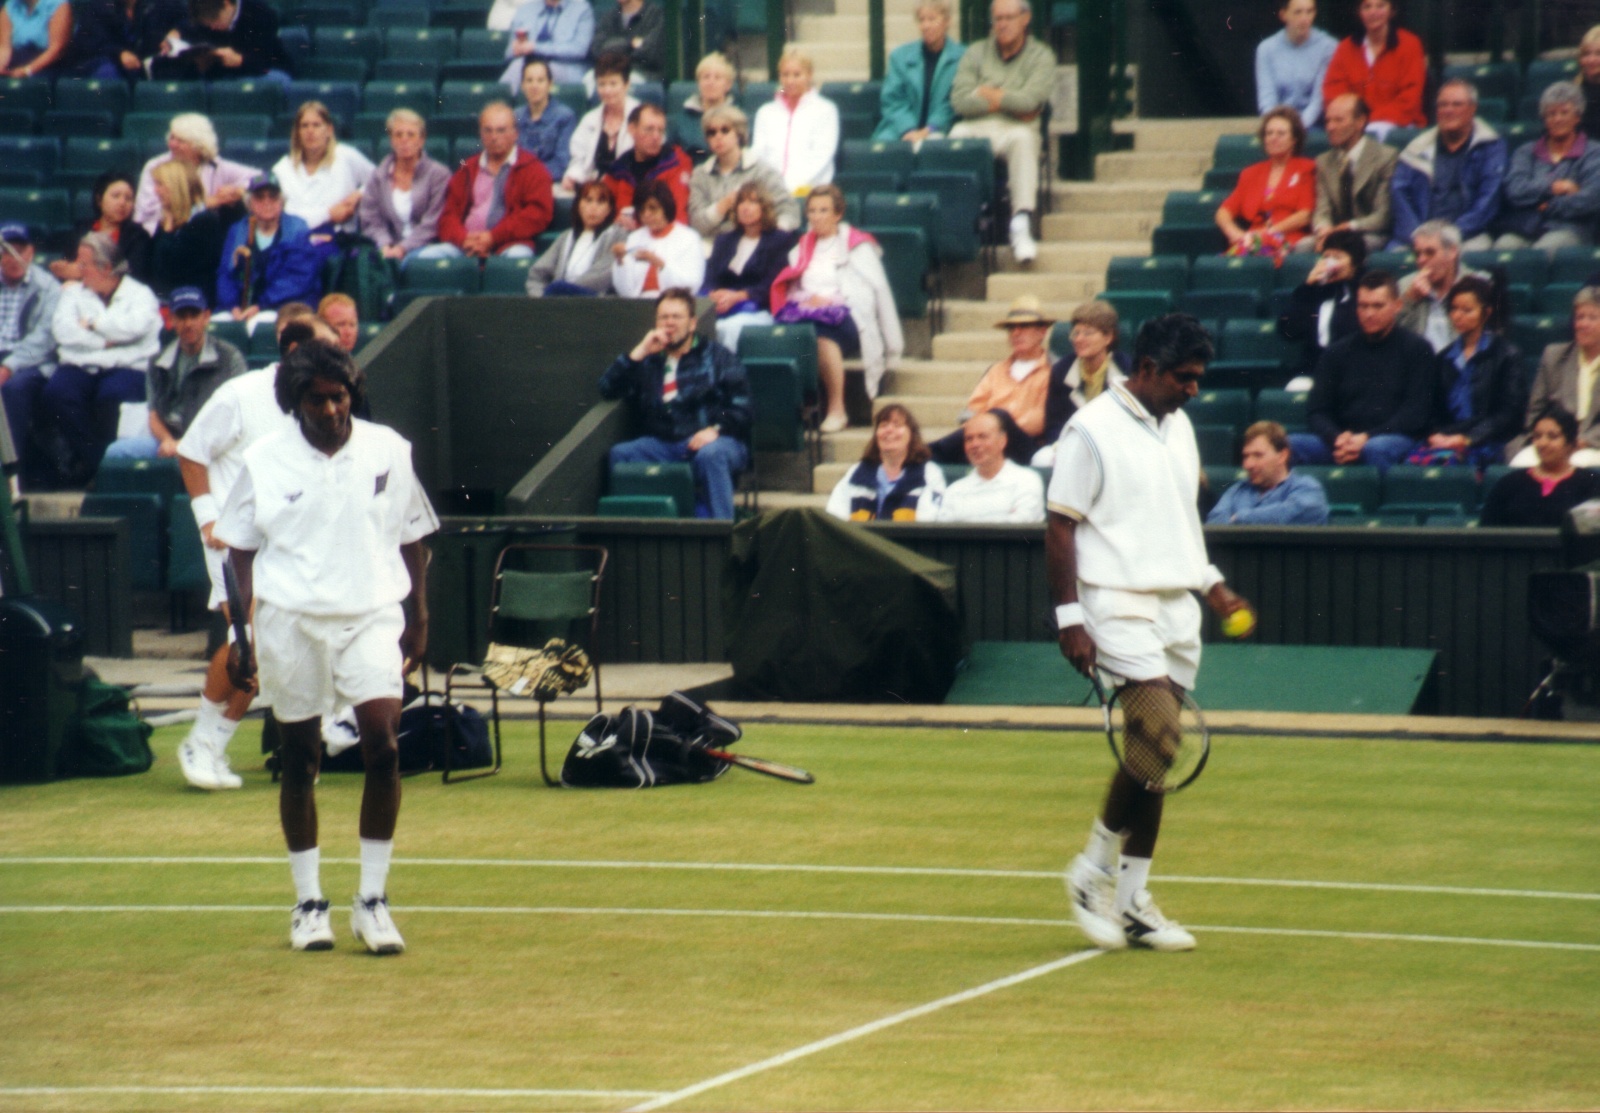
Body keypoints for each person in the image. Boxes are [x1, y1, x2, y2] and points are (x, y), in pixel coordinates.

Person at [215, 338, 439, 954]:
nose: (333, 410)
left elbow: (414, 535)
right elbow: (238, 550)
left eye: (340, 397)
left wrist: (418, 616)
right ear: (296, 404)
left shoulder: (389, 449)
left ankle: (372, 901)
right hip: (291, 622)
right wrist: (242, 633)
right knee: (300, 760)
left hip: (370, 617)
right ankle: (309, 903)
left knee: (384, 747)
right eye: (318, 401)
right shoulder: (263, 459)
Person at [1049, 312, 1253, 953]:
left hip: (1176, 606)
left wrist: (1213, 584)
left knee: (1155, 755)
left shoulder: (1181, 425)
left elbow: (1178, 521)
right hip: (1114, 602)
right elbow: (1059, 525)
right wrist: (1070, 618)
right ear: (1147, 370)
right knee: (1161, 730)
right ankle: (1090, 871)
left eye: (1198, 378)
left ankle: (1134, 901)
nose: (1194, 389)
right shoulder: (1090, 429)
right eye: (1184, 378)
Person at [172, 307, 328, 790]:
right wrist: (207, 519)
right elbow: (190, 452)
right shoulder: (240, 394)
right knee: (250, 639)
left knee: (271, 646)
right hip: (231, 540)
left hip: (284, 543)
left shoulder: (311, 402)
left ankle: (214, 744)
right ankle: (201, 741)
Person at [598, 287, 751, 520]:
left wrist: (715, 429)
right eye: (663, 317)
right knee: (622, 455)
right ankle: (639, 531)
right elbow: (607, 388)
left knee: (711, 456)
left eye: (676, 317)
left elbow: (744, 406)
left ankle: (723, 536)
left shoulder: (718, 357)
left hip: (717, 441)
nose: (669, 323)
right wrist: (639, 352)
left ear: (692, 323)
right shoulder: (649, 361)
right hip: (664, 444)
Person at [768, 184, 903, 430]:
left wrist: (894, 347)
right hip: (806, 314)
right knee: (786, 335)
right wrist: (807, 298)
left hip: (847, 318)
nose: (817, 217)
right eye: (812, 211)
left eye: (823, 210)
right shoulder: (800, 248)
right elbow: (793, 289)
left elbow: (880, 293)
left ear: (838, 214)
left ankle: (837, 409)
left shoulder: (857, 247)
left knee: (821, 339)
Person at [42, 233, 162, 487]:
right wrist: (106, 340)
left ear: (105, 267)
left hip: (128, 365)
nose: (78, 269)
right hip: (81, 363)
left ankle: (102, 471)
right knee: (57, 392)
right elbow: (63, 331)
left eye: (83, 264)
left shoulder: (140, 294)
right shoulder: (73, 294)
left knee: (112, 395)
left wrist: (93, 324)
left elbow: (135, 327)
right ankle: (99, 464)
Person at [1288, 270, 1434, 472]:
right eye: (1363, 306)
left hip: (1393, 438)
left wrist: (1366, 438)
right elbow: (1317, 411)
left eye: (1378, 306)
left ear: (1397, 306)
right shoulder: (1336, 352)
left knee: (1376, 449)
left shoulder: (1417, 349)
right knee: (1289, 446)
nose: (1369, 313)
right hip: (1342, 441)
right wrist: (1337, 438)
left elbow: (1415, 414)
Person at [949, 0, 1054, 263]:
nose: (1002, 25)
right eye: (997, 19)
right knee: (956, 137)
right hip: (976, 126)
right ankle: (962, 223)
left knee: (1022, 140)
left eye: (1008, 18)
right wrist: (1011, 100)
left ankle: (1020, 224)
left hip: (1017, 129)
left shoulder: (1041, 56)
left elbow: (1031, 103)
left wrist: (989, 93)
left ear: (1025, 18)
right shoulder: (975, 52)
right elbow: (960, 101)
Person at [104, 285, 246, 461]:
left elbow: (238, 414)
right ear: (171, 320)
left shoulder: (229, 357)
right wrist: (168, 441)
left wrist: (192, 445)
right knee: (116, 453)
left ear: (206, 317)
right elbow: (154, 415)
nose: (188, 324)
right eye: (181, 317)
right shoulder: (157, 361)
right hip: (170, 439)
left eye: (194, 316)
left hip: (212, 442)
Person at [930, 295, 1056, 466]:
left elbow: (1038, 421)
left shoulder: (1053, 370)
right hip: (988, 441)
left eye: (1024, 326)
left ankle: (930, 453)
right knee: (983, 428)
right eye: (1011, 328)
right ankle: (925, 455)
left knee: (999, 416)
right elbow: (972, 411)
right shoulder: (996, 371)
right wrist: (985, 430)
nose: (1016, 333)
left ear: (1042, 332)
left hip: (1026, 446)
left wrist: (993, 426)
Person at [1419, 276, 1524, 468]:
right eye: (1454, 309)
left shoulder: (1506, 354)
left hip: (1488, 439)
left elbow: (1508, 413)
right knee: (1415, 464)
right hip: (1448, 438)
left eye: (1467, 310)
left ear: (1486, 313)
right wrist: (1435, 435)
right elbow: (1431, 408)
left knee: (1452, 463)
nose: (1458, 316)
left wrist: (1467, 438)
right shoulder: (1443, 358)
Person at [427, 102, 554, 260]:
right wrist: (464, 239)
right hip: (465, 245)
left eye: (501, 130)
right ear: (481, 134)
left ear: (515, 133)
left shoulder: (533, 169)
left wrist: (493, 237)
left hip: (510, 245)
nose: (494, 137)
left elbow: (537, 215)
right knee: (427, 257)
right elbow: (448, 216)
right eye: (488, 130)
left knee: (516, 259)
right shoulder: (467, 168)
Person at [1389, 79, 1506, 250]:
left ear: (1473, 109)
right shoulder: (1417, 148)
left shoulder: (1491, 146)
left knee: (1470, 253)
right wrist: (1417, 234)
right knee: (1394, 257)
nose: (1448, 110)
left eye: (1457, 105)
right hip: (1421, 234)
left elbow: (1488, 200)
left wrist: (1452, 235)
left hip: (1468, 235)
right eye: (1443, 105)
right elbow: (1399, 193)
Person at [1494, 83, 1600, 254]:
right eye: (1551, 114)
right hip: (1525, 226)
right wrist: (1554, 187)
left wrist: (1547, 206)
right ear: (1544, 119)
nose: (1557, 119)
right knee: (1503, 247)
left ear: (1577, 117)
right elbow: (1514, 190)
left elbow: (1590, 199)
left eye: (1564, 112)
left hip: (1570, 229)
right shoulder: (1526, 151)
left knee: (1542, 251)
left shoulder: (1594, 152)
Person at [1508, 286, 1600, 467]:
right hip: (1551, 441)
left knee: (1577, 463)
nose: (1583, 324)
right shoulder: (1554, 356)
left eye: (1592, 318)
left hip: (1593, 444)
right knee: (1520, 464)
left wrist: (1582, 441)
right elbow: (1536, 412)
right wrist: (1549, 438)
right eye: (1580, 317)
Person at [216, 173, 325, 322]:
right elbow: (225, 273)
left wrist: (261, 305)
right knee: (220, 323)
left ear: (281, 201)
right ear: (250, 203)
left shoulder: (297, 229)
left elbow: (298, 279)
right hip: (243, 307)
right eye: (259, 197)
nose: (267, 202)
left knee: (260, 324)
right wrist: (232, 305)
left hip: (283, 305)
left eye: (273, 196)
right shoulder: (238, 230)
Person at [0, 224, 62, 485]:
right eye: (6, 251)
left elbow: (44, 338)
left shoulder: (47, 287)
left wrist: (9, 365)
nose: (13, 257)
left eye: (19, 250)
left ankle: (11, 479)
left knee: (13, 388)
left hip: (32, 362)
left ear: (31, 253)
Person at [1034, 298, 1130, 468]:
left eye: (1087, 333)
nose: (1078, 339)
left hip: (1115, 447)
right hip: (1073, 446)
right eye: (1076, 333)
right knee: (1041, 459)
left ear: (1108, 337)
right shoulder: (1061, 371)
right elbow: (1055, 424)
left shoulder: (1126, 370)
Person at [701, 182, 795, 349]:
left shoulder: (780, 240)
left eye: (752, 202)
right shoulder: (724, 240)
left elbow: (772, 285)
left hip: (759, 309)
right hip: (720, 307)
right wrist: (714, 295)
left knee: (725, 329)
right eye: (741, 202)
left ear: (764, 207)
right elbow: (710, 278)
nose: (745, 207)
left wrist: (736, 297)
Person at [133, 112, 259, 235]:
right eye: (172, 138)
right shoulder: (155, 166)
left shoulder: (216, 165)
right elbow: (147, 213)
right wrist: (205, 204)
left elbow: (262, 177)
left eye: (181, 141)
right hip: (161, 234)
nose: (172, 144)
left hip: (203, 234)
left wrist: (239, 190)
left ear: (198, 146)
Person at [1215, 106, 1316, 257]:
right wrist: (1235, 234)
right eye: (1269, 133)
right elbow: (1223, 212)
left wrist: (1267, 233)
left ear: (1294, 139)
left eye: (1281, 133)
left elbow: (1304, 215)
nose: (1273, 138)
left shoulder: (1306, 168)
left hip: (1288, 241)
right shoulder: (1250, 173)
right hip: (1251, 242)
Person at [357, 108, 452, 267]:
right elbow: (370, 218)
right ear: (391, 139)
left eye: (411, 134)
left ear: (421, 140)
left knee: (408, 264)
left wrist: (403, 248)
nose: (404, 140)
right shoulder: (378, 175)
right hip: (388, 248)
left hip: (426, 247)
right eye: (398, 134)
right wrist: (385, 245)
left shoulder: (439, 174)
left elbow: (433, 222)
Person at [688, 103, 799, 238]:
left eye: (725, 130)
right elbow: (696, 224)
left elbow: (790, 212)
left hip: (756, 245)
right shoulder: (701, 174)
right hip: (712, 246)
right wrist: (723, 206)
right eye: (712, 133)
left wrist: (770, 238)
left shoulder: (763, 171)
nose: (718, 136)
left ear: (739, 134)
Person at [1319, 0, 1425, 137]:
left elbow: (1410, 99)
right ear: (1359, 12)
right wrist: (1355, 121)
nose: (1373, 12)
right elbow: (1333, 94)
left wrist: (1369, 119)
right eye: (1367, 7)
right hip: (1353, 127)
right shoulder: (1345, 48)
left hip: (1399, 126)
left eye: (1380, 6)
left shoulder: (1410, 45)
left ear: (1391, 10)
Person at [1481, 405, 1600, 526]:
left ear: (1570, 443)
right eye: (1537, 436)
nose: (1542, 443)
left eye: (1553, 437)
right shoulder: (1509, 484)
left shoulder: (1591, 483)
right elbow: (1488, 532)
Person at [825, 402, 946, 521]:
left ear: (911, 435)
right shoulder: (857, 473)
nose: (889, 430)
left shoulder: (929, 473)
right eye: (883, 425)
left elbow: (928, 521)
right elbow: (835, 515)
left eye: (897, 425)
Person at [1310, 93, 1397, 252]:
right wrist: (1324, 230)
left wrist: (1348, 227)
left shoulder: (1385, 157)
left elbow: (1383, 216)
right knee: (1303, 247)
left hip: (1369, 233)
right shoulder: (1323, 161)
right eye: (1328, 120)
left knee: (1351, 248)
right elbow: (1322, 210)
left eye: (1338, 120)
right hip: (1333, 234)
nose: (1330, 127)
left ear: (1360, 121)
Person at [272, 101, 375, 234]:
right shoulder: (284, 168)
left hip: (338, 241)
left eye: (316, 125)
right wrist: (329, 215)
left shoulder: (345, 156)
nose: (310, 131)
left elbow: (381, 179)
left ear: (329, 130)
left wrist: (358, 194)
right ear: (297, 132)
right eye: (304, 126)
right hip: (295, 241)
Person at [750, 45, 840, 197]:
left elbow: (821, 155)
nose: (790, 81)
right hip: (769, 191)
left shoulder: (826, 110)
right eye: (785, 75)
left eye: (797, 75)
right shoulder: (765, 112)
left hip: (810, 191)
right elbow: (759, 153)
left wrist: (791, 188)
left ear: (809, 75)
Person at [874, 0, 966, 144]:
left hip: (941, 130)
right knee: (881, 152)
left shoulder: (962, 58)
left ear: (947, 21)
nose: (925, 26)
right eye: (921, 20)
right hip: (900, 130)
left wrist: (928, 131)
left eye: (932, 19)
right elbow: (892, 100)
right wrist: (908, 129)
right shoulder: (900, 57)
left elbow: (952, 104)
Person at [1279, 227, 1366, 375]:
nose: (1330, 263)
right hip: (1316, 371)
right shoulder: (1316, 291)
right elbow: (1288, 332)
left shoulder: (1364, 291)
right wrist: (1308, 287)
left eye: (1337, 257)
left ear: (1355, 262)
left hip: (1356, 371)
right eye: (1326, 257)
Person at [1206, 421, 1330, 524]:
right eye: (1246, 456)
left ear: (1283, 456)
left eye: (1258, 455)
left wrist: (1239, 518)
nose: (1248, 464)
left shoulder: (1307, 487)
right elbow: (1214, 521)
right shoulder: (1237, 491)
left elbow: (1302, 511)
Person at [935, 410, 1045, 523]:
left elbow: (1021, 526)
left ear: (1002, 441)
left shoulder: (1026, 480)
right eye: (969, 439)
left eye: (982, 437)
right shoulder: (954, 491)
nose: (975, 444)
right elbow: (946, 533)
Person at [147, 159, 230, 304]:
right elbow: (154, 269)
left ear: (176, 186)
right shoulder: (168, 221)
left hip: (193, 306)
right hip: (165, 302)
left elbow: (172, 270)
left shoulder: (205, 221)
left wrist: (167, 232)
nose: (156, 190)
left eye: (160, 184)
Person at [50, 171, 152, 287]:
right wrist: (62, 269)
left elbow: (133, 277)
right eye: (116, 196)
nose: (122, 203)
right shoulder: (81, 229)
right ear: (99, 200)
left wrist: (81, 272)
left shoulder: (138, 236)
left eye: (128, 198)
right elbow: (67, 266)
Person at [525, 178, 625, 296]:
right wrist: (540, 298)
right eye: (588, 200)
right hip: (558, 301)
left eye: (600, 202)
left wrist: (565, 292)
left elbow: (605, 275)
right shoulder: (565, 237)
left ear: (609, 209)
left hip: (596, 303)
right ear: (578, 205)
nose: (593, 207)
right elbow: (536, 274)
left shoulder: (617, 236)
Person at [1398, 220, 1487, 352]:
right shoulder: (1405, 286)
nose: (1421, 260)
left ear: (1452, 251)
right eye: (1418, 254)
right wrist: (1410, 300)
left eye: (1430, 252)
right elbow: (1393, 337)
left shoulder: (1479, 284)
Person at [609, 180, 704, 298]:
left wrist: (658, 263)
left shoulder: (689, 238)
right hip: (637, 305)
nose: (646, 214)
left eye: (653, 208)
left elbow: (692, 284)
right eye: (642, 209)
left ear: (666, 207)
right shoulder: (635, 238)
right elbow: (625, 291)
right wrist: (620, 260)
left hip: (673, 304)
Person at [604, 102, 692, 227]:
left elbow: (677, 219)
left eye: (660, 130)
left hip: (664, 240)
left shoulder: (676, 162)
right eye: (649, 129)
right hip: (623, 239)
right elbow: (602, 212)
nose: (656, 136)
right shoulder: (618, 170)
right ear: (632, 129)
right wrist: (616, 219)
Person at [561, 50, 639, 190]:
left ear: (626, 84)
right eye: (602, 84)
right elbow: (578, 160)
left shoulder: (641, 115)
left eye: (613, 84)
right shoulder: (589, 119)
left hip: (629, 188)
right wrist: (572, 176)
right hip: (595, 190)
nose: (607, 90)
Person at [1255, 0, 1336, 128]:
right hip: (1277, 124)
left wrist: (1296, 128)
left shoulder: (1329, 47)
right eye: (1298, 12)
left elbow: (1318, 100)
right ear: (1283, 15)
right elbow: (1267, 97)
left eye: (1309, 12)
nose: (1304, 19)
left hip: (1315, 125)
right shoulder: (1266, 49)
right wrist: (1276, 125)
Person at [179, 0, 295, 87]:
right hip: (223, 76)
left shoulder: (261, 13)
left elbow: (265, 59)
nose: (212, 27)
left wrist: (241, 60)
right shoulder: (204, 18)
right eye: (208, 24)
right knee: (195, 87)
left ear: (227, 4)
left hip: (264, 70)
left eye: (215, 19)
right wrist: (203, 63)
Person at [59, 0, 183, 79]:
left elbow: (185, 19)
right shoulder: (99, 7)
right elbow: (88, 43)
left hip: (150, 62)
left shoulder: (160, 4)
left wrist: (176, 30)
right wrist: (119, 53)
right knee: (107, 72)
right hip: (109, 63)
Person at [501, 0, 592, 87]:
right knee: (517, 67)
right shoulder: (525, 9)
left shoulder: (581, 9)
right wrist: (516, 50)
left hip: (564, 67)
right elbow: (508, 53)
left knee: (537, 72)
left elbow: (579, 50)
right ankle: (498, 101)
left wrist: (535, 48)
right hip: (527, 64)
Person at [513, 58, 577, 182]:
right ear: (522, 86)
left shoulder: (565, 116)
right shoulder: (515, 116)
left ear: (550, 84)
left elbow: (561, 162)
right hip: (518, 182)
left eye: (540, 80)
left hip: (549, 181)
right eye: (529, 80)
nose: (534, 86)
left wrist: (530, 176)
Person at [674, 50, 735, 154]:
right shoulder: (682, 120)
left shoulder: (737, 119)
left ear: (728, 85)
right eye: (706, 77)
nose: (711, 82)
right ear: (698, 83)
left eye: (717, 77)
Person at [590, 0, 661, 85]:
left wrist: (615, 48)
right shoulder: (610, 15)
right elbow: (598, 48)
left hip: (642, 73)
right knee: (589, 80)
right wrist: (630, 43)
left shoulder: (655, 15)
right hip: (609, 69)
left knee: (623, 82)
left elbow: (649, 52)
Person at [0, 0, 71, 77]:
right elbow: (4, 47)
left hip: (48, 66)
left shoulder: (58, 4)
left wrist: (27, 70)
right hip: (17, 61)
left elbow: (57, 48)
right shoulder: (10, 6)